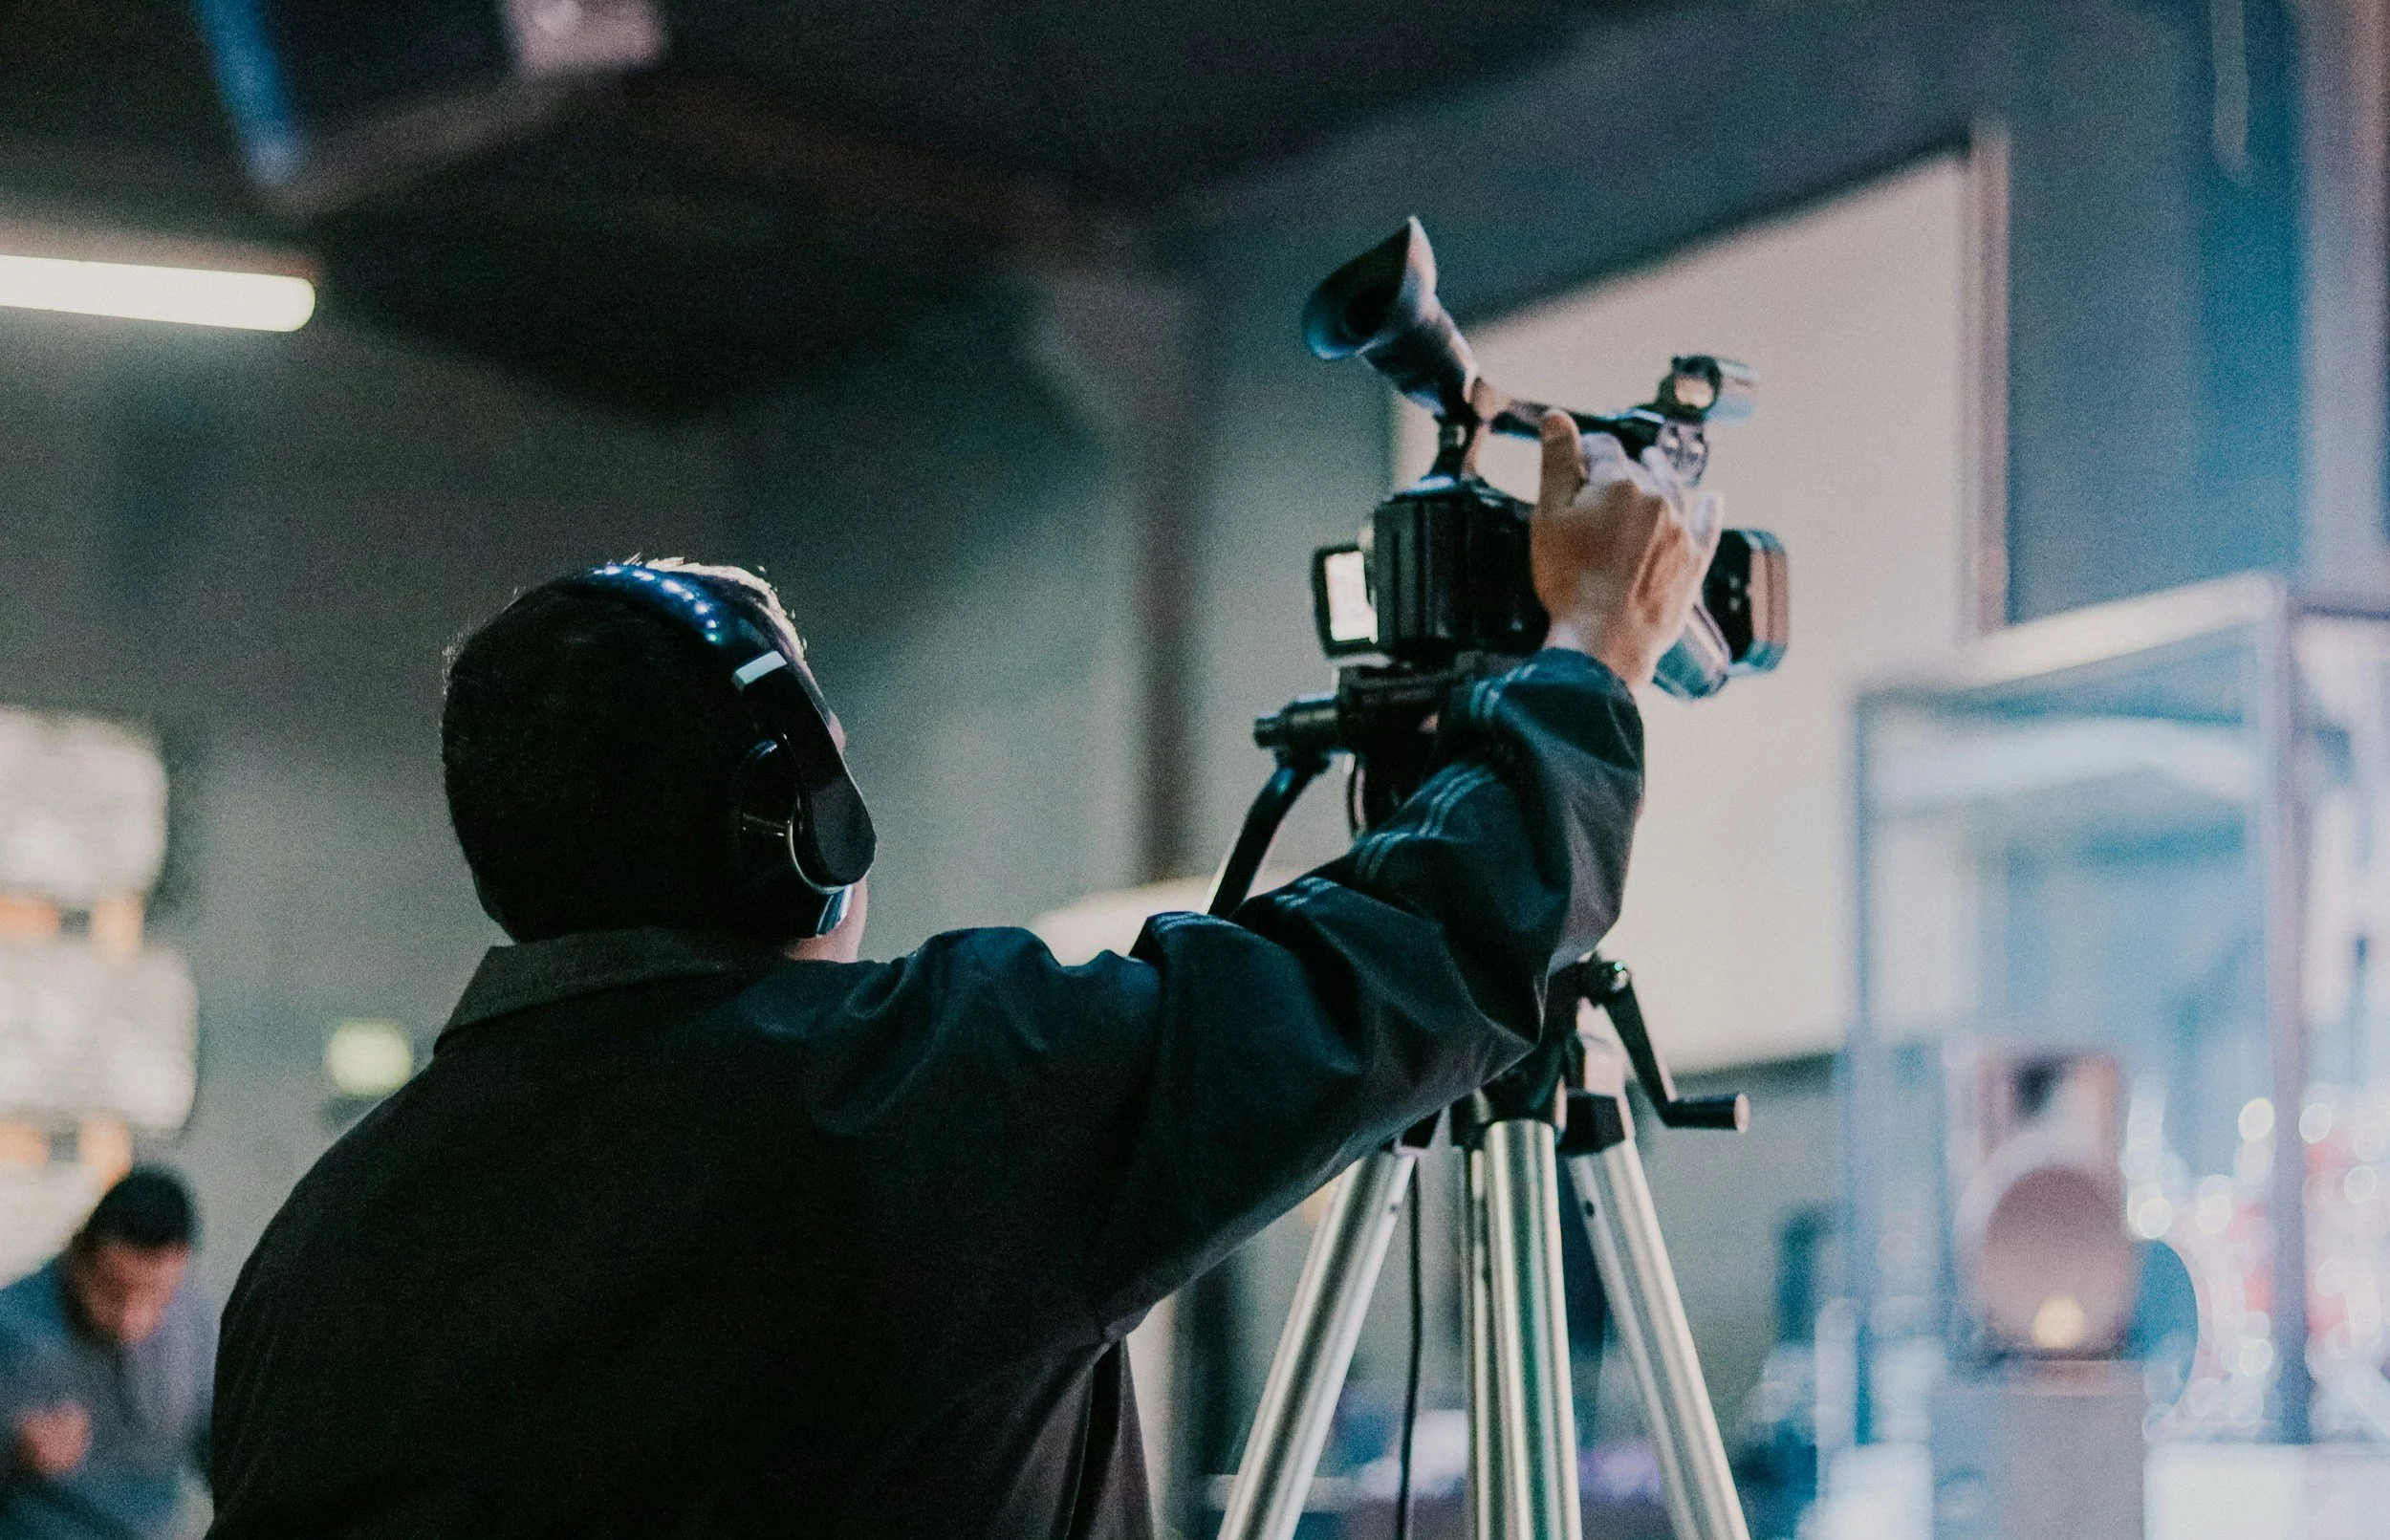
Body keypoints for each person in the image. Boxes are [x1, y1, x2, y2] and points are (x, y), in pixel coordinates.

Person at [206, 414, 1712, 1538]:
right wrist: (1588, 652)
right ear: (799, 824)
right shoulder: (922, 1093)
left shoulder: (316, 1254)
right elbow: (1419, 946)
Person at [0, 1168, 214, 1540]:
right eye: (115, 1294)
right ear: (77, 1255)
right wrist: (12, 1448)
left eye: (158, 1297)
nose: (133, 1322)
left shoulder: (194, 1323)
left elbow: (218, 1446)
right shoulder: (11, 1323)